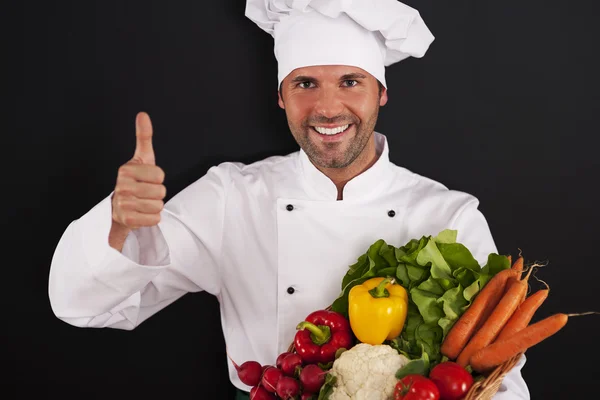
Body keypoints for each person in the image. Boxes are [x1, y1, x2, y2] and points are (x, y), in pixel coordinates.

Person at [48, 1, 530, 399]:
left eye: (349, 81)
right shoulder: (231, 197)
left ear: (381, 92)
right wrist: (116, 227)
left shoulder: (448, 215)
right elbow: (81, 306)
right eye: (304, 84)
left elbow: (502, 380)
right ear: (280, 96)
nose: (326, 107)